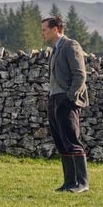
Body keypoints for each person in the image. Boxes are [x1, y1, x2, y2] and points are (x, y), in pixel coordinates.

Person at [41, 16, 89, 193]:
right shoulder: (55, 49)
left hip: (66, 99)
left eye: (44, 30)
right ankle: (69, 182)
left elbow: (80, 75)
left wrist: (70, 97)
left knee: (72, 140)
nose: (42, 34)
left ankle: (82, 183)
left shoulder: (71, 45)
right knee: (61, 141)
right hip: (54, 98)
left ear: (55, 29)